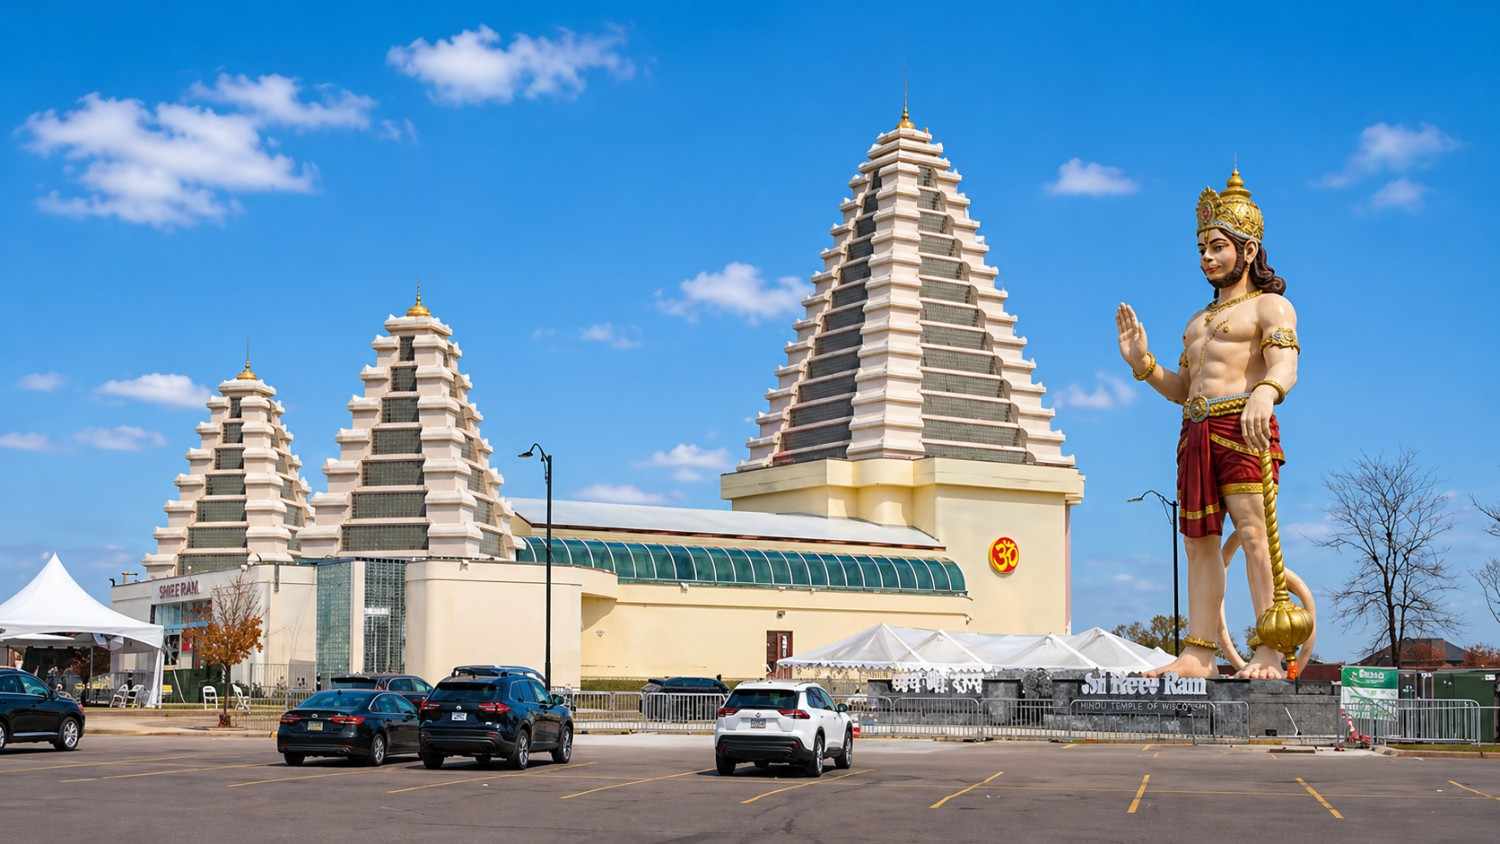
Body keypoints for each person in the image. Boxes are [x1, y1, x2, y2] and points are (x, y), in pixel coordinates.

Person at [1114, 169, 1312, 679]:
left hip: (1244, 427)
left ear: (1247, 251)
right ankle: (1199, 651)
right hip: (1195, 431)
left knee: (1253, 537)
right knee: (1199, 543)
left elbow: (1285, 364)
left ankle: (1270, 650)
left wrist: (1266, 393)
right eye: (1201, 247)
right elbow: (1183, 389)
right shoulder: (1197, 322)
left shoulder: (1271, 306)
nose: (1206, 256)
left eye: (1217, 246)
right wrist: (1143, 364)